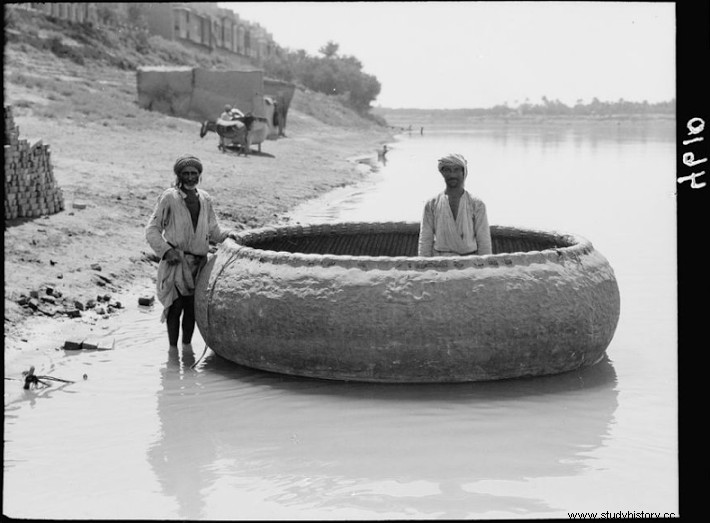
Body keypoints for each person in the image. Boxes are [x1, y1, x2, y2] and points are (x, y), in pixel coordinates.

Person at [145, 154, 239, 347]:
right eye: (185, 174)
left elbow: (214, 230)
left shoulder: (205, 199)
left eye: (194, 173)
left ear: (199, 175)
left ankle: (186, 351)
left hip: (199, 264)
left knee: (192, 310)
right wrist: (166, 251)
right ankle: (172, 350)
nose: (190, 177)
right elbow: (152, 230)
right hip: (176, 263)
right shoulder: (169, 197)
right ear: (179, 176)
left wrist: (230, 235)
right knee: (175, 307)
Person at [417, 153, 492, 257]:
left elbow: (484, 242)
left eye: (456, 170)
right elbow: (425, 240)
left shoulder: (477, 204)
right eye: (448, 170)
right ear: (442, 173)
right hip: (440, 263)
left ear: (463, 173)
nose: (452, 175)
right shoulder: (432, 204)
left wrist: (484, 268)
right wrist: (423, 266)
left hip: (470, 262)